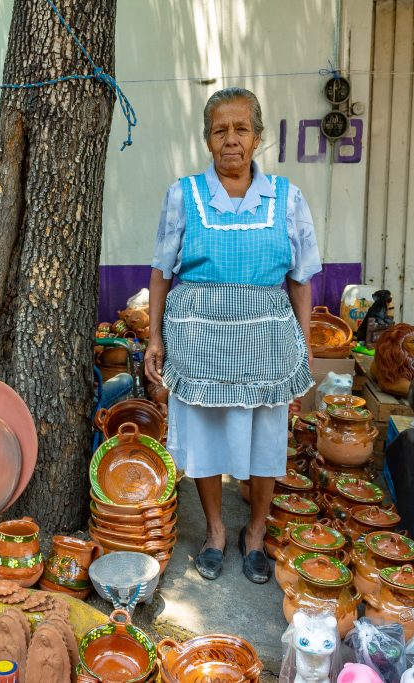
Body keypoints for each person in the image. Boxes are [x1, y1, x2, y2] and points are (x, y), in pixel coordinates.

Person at [144, 87, 320, 583]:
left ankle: (256, 533)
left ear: (258, 138)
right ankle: (217, 530)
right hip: (198, 340)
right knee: (203, 438)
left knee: (266, 441)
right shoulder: (184, 194)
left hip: (266, 342)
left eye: (241, 129)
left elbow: (301, 279)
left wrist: (303, 346)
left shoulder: (287, 198)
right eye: (220, 130)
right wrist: (155, 337)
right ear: (207, 140)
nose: (231, 140)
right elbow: (161, 270)